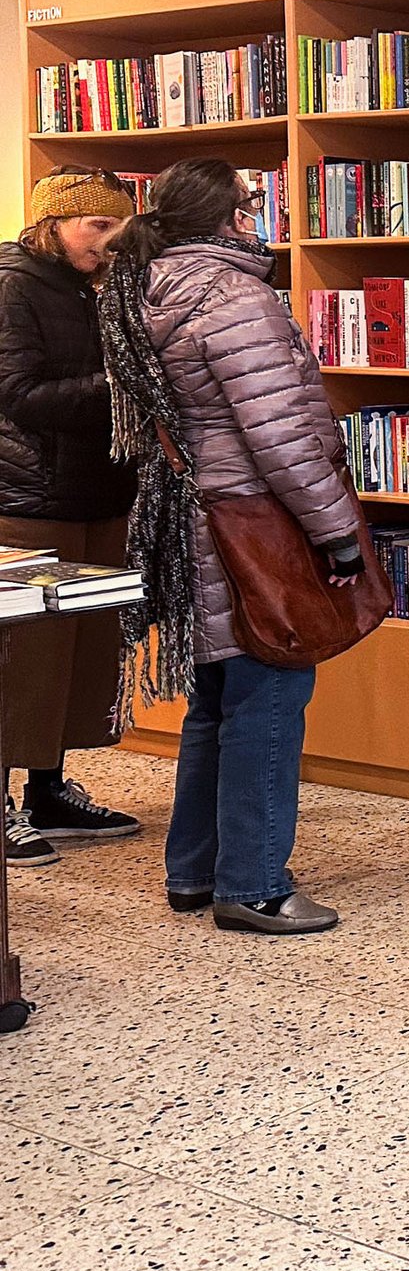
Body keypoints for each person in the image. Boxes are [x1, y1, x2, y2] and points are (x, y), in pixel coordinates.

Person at [97, 159, 363, 935]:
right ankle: (253, 885)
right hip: (252, 518)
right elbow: (280, 435)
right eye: (250, 206)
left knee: (216, 698)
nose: (257, 218)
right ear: (230, 217)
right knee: (270, 691)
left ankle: (195, 869)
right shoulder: (232, 295)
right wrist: (337, 532)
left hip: (192, 514)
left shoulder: (145, 287)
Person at [0, 169, 141, 866]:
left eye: (120, 227)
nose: (110, 241)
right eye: (98, 225)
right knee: (24, 662)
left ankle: (48, 791)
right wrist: (119, 387)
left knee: (78, 658)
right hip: (31, 501)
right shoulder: (13, 285)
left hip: (97, 493)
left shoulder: (98, 286)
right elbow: (17, 394)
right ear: (53, 223)